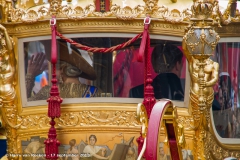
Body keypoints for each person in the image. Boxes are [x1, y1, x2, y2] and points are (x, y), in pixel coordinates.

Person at [26, 41, 101, 101]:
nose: (51, 72)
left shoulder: (48, 92)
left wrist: (30, 75)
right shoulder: (95, 92)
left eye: (53, 68)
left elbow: (24, 108)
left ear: (62, 69)